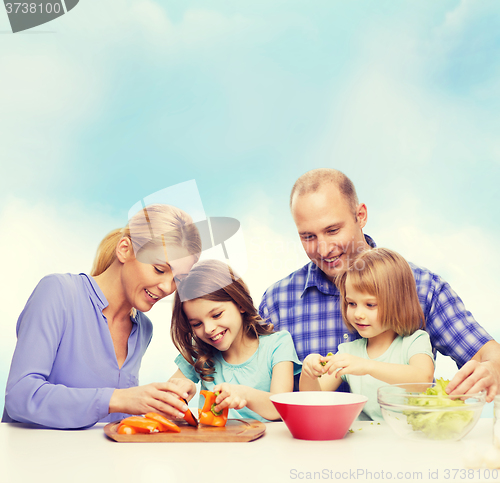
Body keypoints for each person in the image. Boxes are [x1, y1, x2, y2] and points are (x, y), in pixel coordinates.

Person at [259, 168, 500, 401]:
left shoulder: (423, 287)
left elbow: (484, 354)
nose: (323, 249)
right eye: (308, 237)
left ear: (360, 215)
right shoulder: (278, 300)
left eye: (333, 230)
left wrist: (493, 369)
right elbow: (251, 381)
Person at [3, 204, 201, 429]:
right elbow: (20, 395)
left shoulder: (143, 329)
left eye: (179, 279)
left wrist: (163, 403)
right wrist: (119, 399)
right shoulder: (58, 292)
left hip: (103, 463)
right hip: (37, 460)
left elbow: (109, 421)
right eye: (159, 269)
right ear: (125, 249)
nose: (167, 287)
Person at [299, 248, 435, 420]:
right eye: (352, 303)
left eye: (370, 305)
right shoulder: (349, 353)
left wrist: (368, 366)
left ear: (398, 303)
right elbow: (313, 399)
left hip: (410, 437)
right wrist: (308, 372)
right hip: (365, 442)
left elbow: (423, 379)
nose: (358, 314)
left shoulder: (414, 341)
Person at [170, 259, 302, 422]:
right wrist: (180, 392)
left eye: (216, 315)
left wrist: (243, 394)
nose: (208, 329)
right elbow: (166, 400)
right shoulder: (199, 351)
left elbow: (280, 408)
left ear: (240, 304)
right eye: (197, 324)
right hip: (213, 444)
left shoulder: (278, 344)